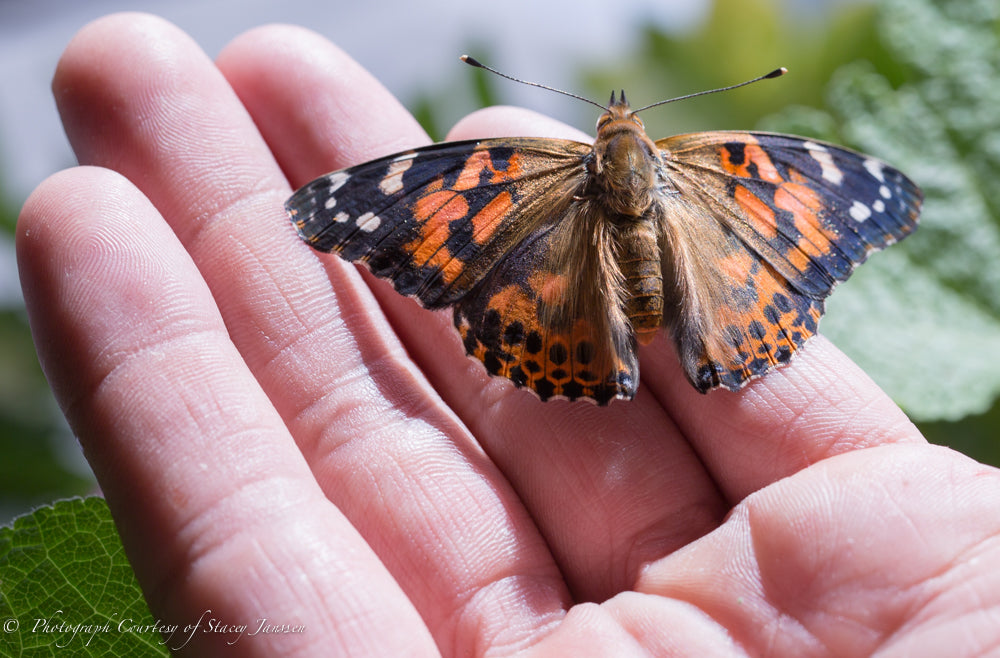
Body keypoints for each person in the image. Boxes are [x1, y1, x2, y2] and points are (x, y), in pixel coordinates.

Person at [17, 13, 1000, 656]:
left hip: (570, 293)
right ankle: (671, 343)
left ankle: (603, 351)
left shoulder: (510, 171)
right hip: (709, 274)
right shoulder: (734, 164)